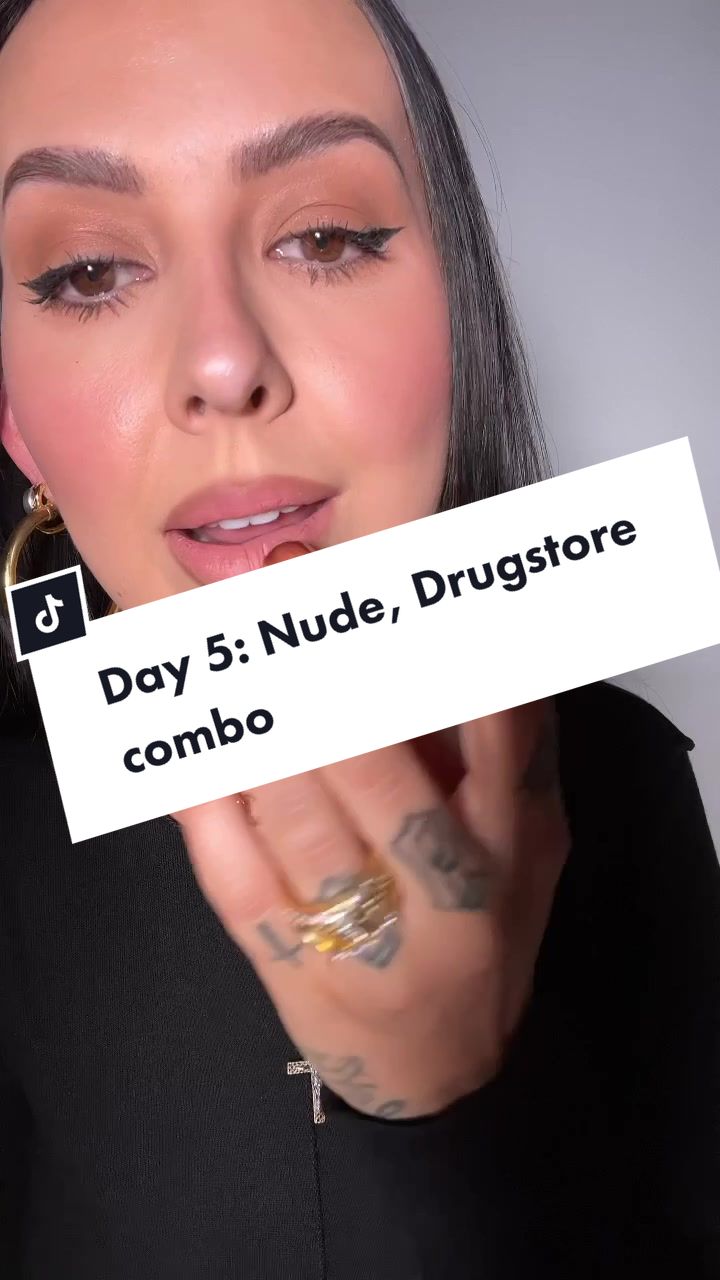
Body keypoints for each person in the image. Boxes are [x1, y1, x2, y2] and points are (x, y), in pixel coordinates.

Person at [0, 0, 718, 1276]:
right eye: (88, 272)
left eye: (325, 236)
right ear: (18, 427)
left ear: (459, 317)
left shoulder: (624, 776)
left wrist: (447, 1111)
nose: (224, 363)